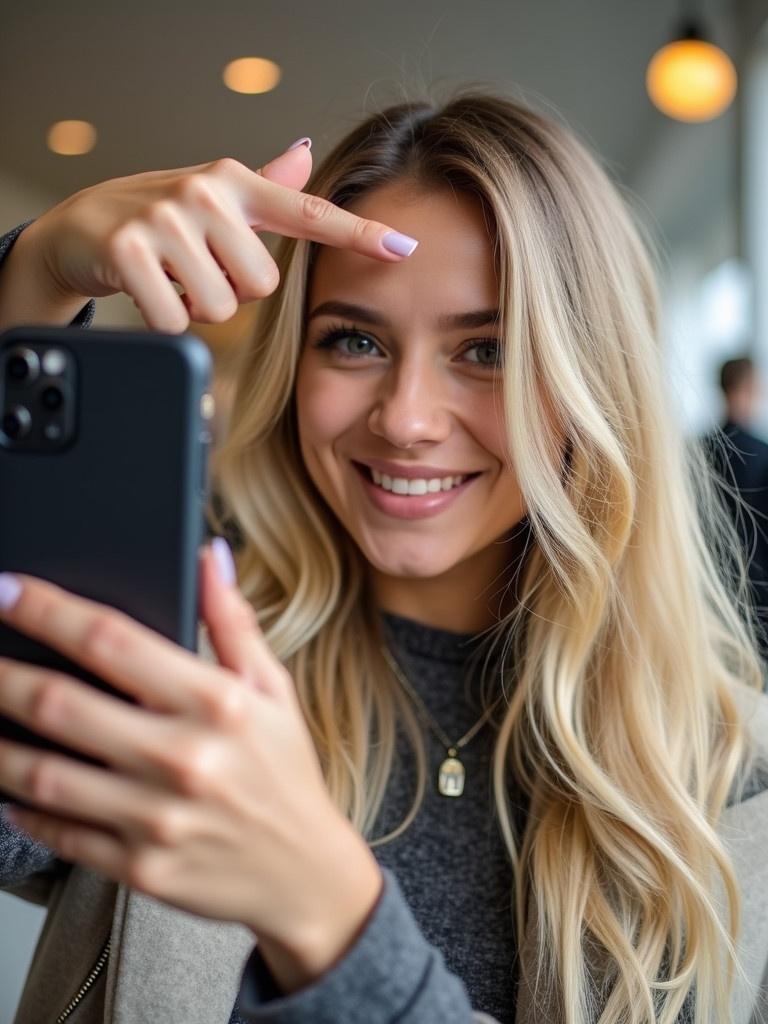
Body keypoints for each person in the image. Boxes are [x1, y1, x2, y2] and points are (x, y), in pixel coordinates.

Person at [0, 90, 767, 1024]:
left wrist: (326, 917)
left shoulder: (740, 791)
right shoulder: (176, 667)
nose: (404, 419)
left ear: (591, 385)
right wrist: (33, 279)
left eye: (486, 349)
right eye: (355, 340)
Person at [701, 357, 768, 663]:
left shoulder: (699, 451)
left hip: (708, 581)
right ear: (748, 389)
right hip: (757, 586)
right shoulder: (762, 453)